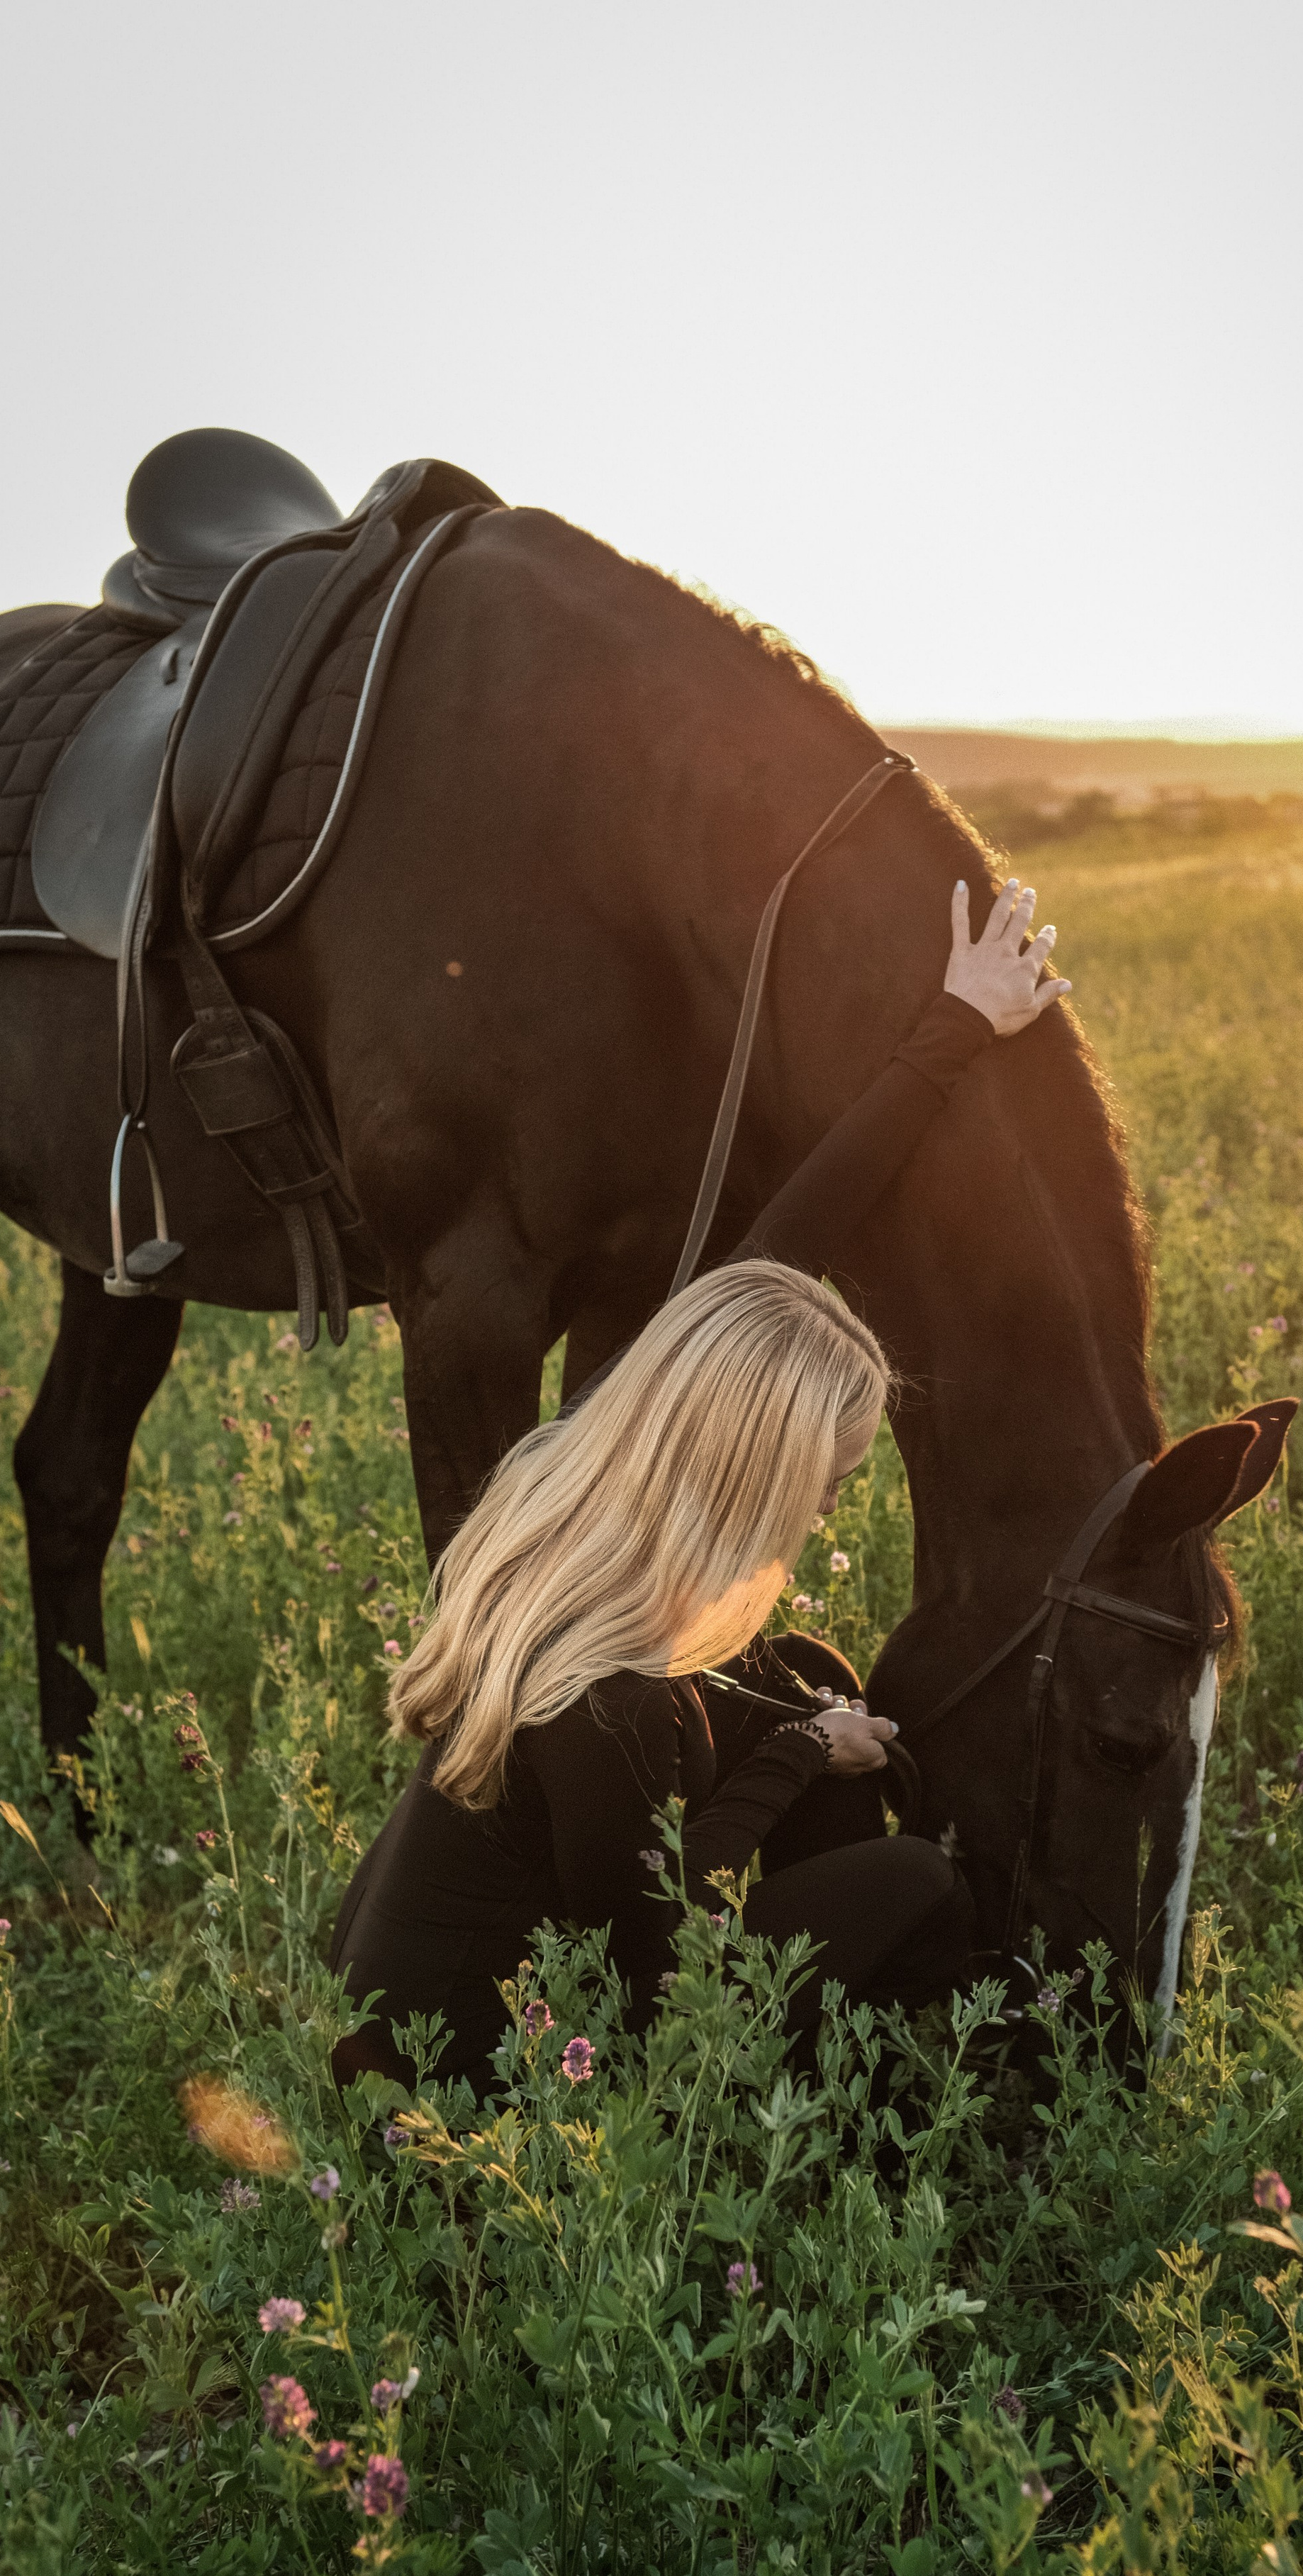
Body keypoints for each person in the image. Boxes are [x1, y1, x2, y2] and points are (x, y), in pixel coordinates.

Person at [329, 875, 1071, 2099]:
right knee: (912, 1884)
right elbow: (653, 1952)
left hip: (482, 1975)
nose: (829, 1509)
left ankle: (848, 2081)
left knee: (805, 1681)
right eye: (821, 1484)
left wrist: (955, 1026)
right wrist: (794, 1756)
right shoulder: (612, 1699)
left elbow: (774, 1257)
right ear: (743, 1472)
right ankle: (902, 2128)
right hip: (475, 2109)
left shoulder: (579, 1479)